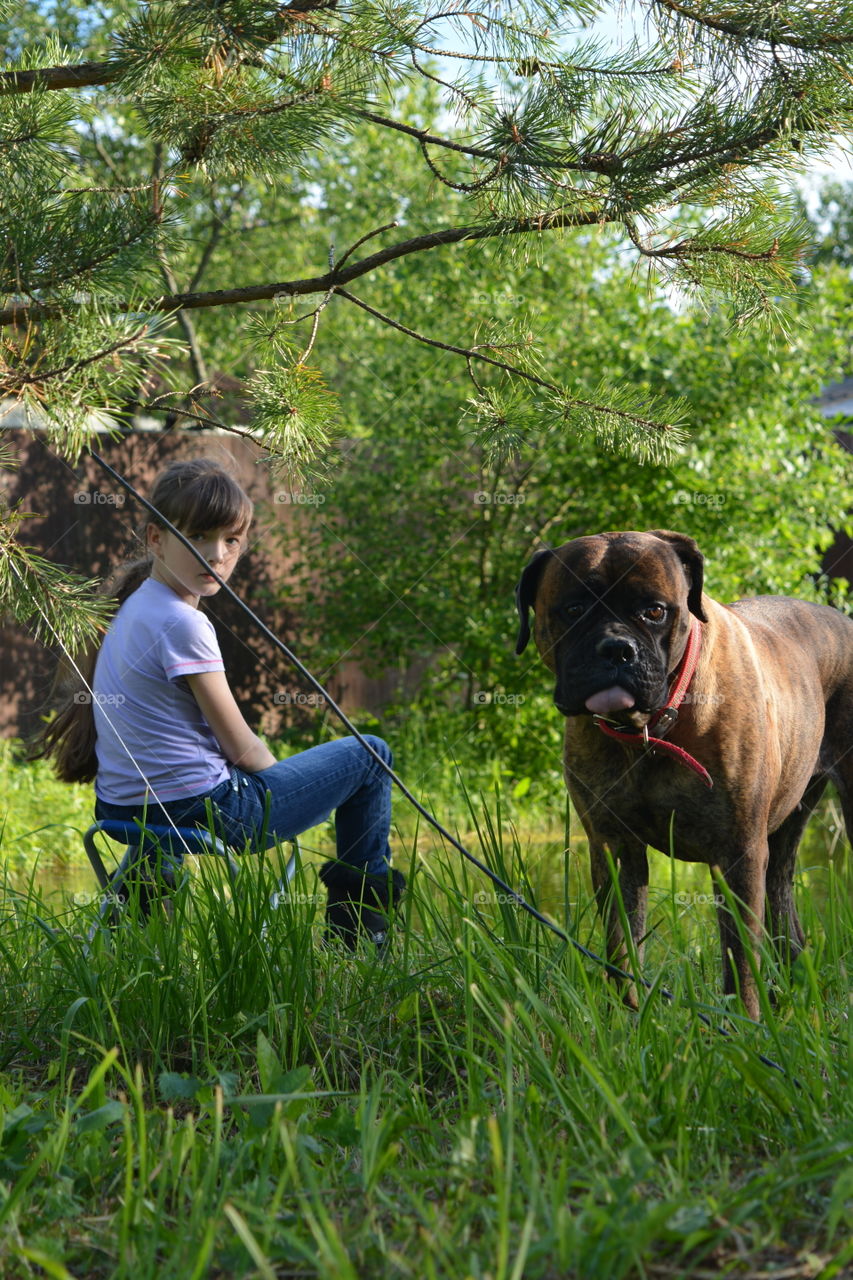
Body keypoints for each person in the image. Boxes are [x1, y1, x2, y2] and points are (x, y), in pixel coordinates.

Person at [37, 457, 405, 948]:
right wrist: (286, 791)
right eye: (198, 536)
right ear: (155, 538)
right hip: (202, 811)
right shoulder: (182, 623)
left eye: (231, 539)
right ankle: (358, 939)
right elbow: (243, 750)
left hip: (124, 807)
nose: (216, 554)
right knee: (372, 754)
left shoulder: (133, 606)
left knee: (175, 794)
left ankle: (125, 937)